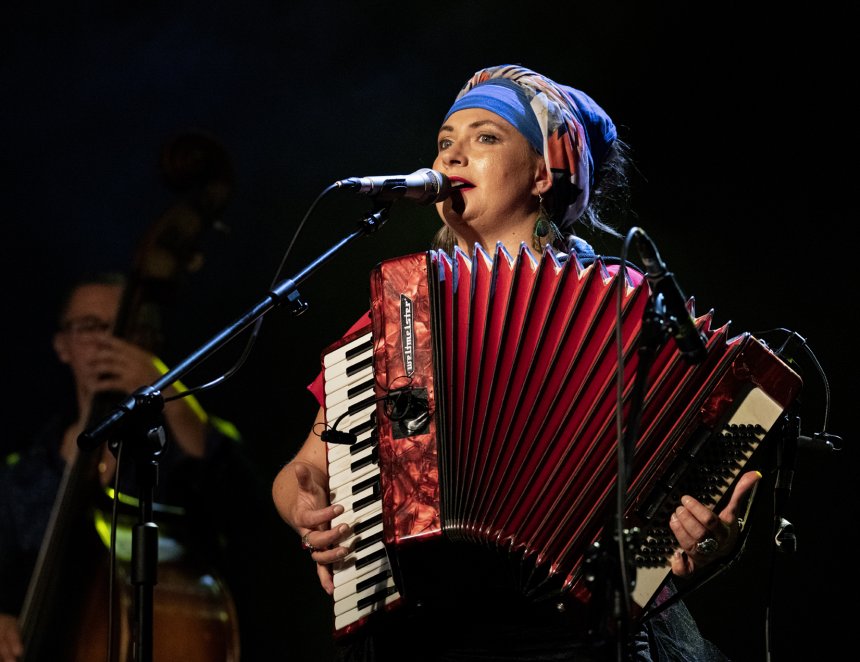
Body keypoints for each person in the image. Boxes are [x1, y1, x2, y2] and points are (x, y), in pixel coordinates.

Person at [272, 64, 761, 661]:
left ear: (543, 172)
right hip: (421, 627)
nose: (452, 155)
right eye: (444, 141)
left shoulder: (628, 304)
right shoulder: (402, 309)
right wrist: (306, 506)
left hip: (577, 630)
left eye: (485, 136)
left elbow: (697, 481)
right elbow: (304, 467)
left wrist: (704, 535)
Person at [0, 272, 264, 662]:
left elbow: (251, 516)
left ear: (145, 340)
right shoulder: (23, 473)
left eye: (122, 328)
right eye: (90, 326)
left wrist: (164, 386)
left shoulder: (185, 438)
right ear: (62, 345)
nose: (107, 341)